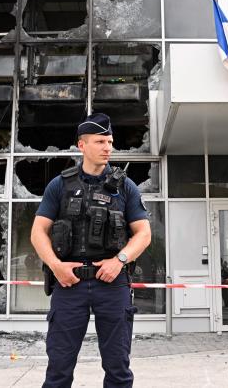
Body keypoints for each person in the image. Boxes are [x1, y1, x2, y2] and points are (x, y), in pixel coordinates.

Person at [31, 112, 152, 388]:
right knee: (58, 368)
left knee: (118, 368)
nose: (107, 147)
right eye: (100, 141)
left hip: (112, 283)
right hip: (68, 282)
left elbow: (143, 234)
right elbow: (38, 232)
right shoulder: (60, 185)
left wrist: (119, 261)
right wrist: (56, 266)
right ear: (82, 145)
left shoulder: (125, 187)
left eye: (110, 141)